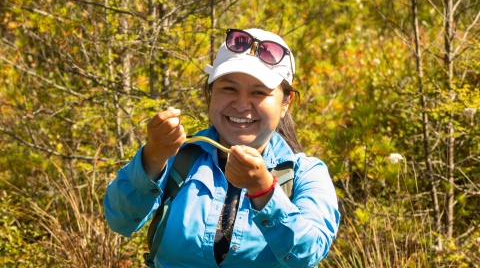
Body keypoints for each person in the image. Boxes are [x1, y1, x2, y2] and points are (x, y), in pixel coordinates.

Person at [104, 28, 340, 267]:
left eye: (259, 92)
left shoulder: (305, 174)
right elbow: (120, 220)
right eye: (229, 88)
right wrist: (153, 157)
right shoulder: (177, 156)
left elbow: (309, 253)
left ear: (285, 103)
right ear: (210, 92)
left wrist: (264, 191)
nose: (241, 104)